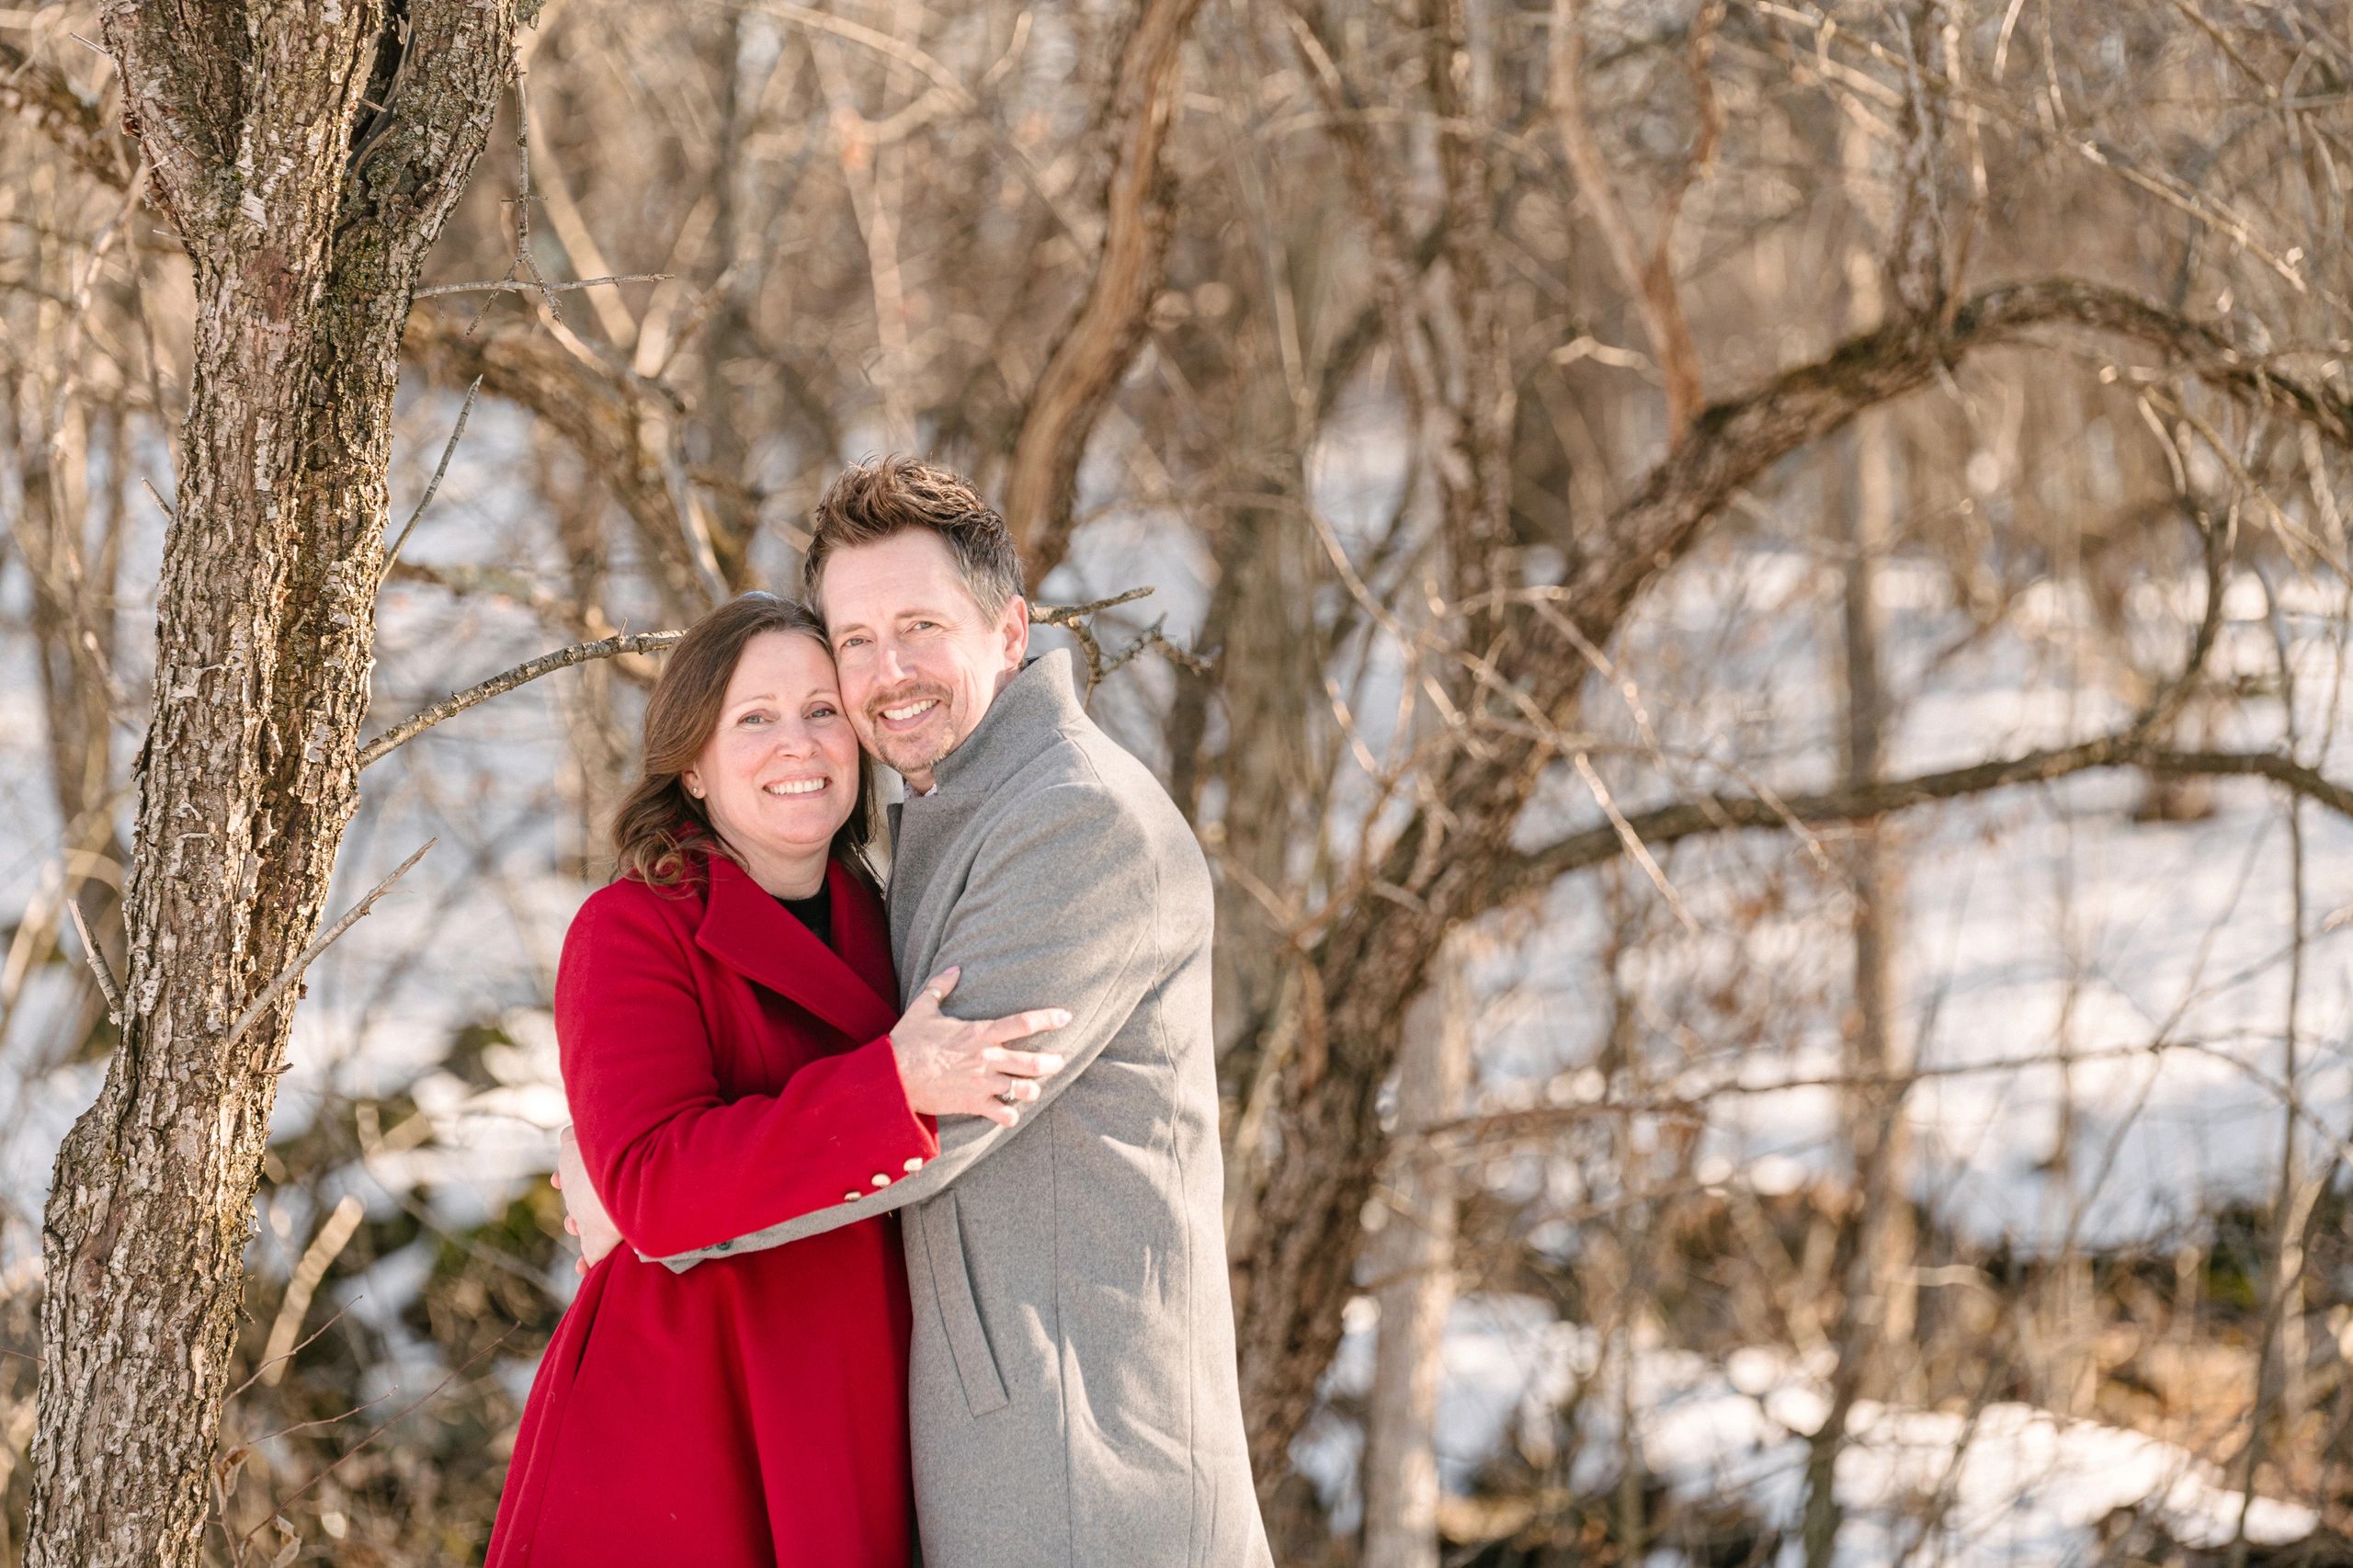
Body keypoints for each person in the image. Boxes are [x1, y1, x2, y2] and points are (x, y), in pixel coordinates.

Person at [563, 459, 1275, 1567]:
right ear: (691, 761)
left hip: (1077, 1455)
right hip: (940, 1445)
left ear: (1008, 629)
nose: (885, 672)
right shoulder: (935, 825)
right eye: (855, 639)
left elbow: (941, 1110)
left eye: (919, 625)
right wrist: (624, 1166)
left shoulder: (1075, 825)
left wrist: (642, 1201)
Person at [489, 593, 1073, 1568]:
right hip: (685, 1423)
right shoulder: (632, 926)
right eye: (753, 718)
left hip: (858, 1413)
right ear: (693, 765)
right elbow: (655, 1187)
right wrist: (890, 1085)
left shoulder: (893, 916)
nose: (797, 744)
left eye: (821, 711)